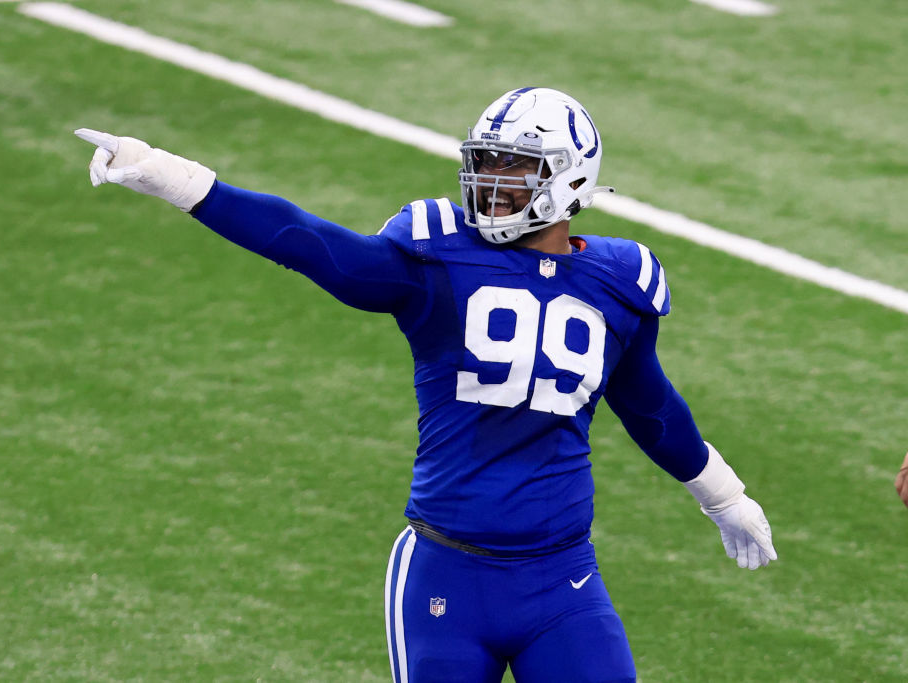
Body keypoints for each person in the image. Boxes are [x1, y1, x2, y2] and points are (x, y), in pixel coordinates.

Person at [75, 87, 777, 683]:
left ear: (568, 180)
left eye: (515, 166)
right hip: (447, 571)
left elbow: (649, 405)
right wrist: (171, 177)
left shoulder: (619, 281)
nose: (492, 180)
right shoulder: (437, 258)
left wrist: (722, 495)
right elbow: (310, 243)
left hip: (563, 578)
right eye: (486, 162)